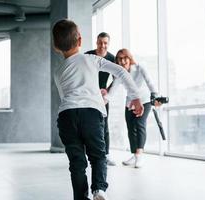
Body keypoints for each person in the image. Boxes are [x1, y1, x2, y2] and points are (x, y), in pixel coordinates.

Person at [52, 20, 144, 200]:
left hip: (67, 116)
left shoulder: (58, 71)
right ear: (80, 41)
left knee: (77, 163)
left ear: (56, 46)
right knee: (98, 156)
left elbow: (65, 96)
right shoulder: (91, 59)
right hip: (91, 113)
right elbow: (122, 72)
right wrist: (135, 96)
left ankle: (80, 197)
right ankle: (99, 190)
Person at [106, 48, 161, 168]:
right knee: (130, 127)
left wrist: (155, 95)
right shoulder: (120, 73)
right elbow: (113, 89)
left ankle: (139, 155)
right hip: (130, 102)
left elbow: (149, 82)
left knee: (140, 125)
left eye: (125, 58)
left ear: (129, 58)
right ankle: (134, 155)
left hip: (144, 101)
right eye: (119, 59)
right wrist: (105, 99)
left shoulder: (140, 67)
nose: (122, 61)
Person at [85, 32, 116, 166]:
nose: (102, 45)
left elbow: (117, 78)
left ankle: (105, 155)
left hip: (102, 98)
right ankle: (89, 154)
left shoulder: (112, 58)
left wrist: (107, 90)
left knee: (104, 126)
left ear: (108, 44)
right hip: (87, 95)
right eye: (100, 42)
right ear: (96, 42)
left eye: (105, 43)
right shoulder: (88, 55)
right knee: (87, 125)